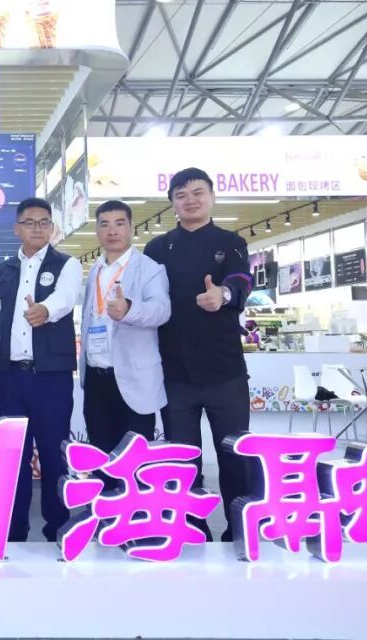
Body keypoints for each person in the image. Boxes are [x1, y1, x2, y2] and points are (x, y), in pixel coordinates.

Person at [144, 167, 253, 542]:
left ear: (212, 197)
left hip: (226, 373)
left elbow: (241, 280)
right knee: (181, 459)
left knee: (234, 455)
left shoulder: (231, 242)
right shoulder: (157, 249)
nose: (190, 200)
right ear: (172, 204)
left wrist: (223, 295)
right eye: (181, 195)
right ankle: (191, 529)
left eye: (197, 193)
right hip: (175, 374)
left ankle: (239, 530)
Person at [0, 197, 83, 542]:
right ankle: (14, 528)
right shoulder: (3, 270)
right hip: (10, 376)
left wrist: (44, 309)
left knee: (54, 454)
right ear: (17, 228)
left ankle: (57, 527)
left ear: (52, 228)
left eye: (44, 222)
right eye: (29, 222)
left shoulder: (67, 264)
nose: (37, 228)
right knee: (12, 455)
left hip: (51, 378)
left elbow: (66, 298)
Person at [77, 201, 170, 470]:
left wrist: (129, 309)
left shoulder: (150, 268)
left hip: (133, 378)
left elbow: (162, 310)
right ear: (97, 230)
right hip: (96, 379)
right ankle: (106, 498)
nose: (112, 231)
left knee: (134, 462)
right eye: (104, 224)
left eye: (119, 223)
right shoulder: (95, 270)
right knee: (101, 455)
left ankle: (135, 500)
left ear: (131, 228)